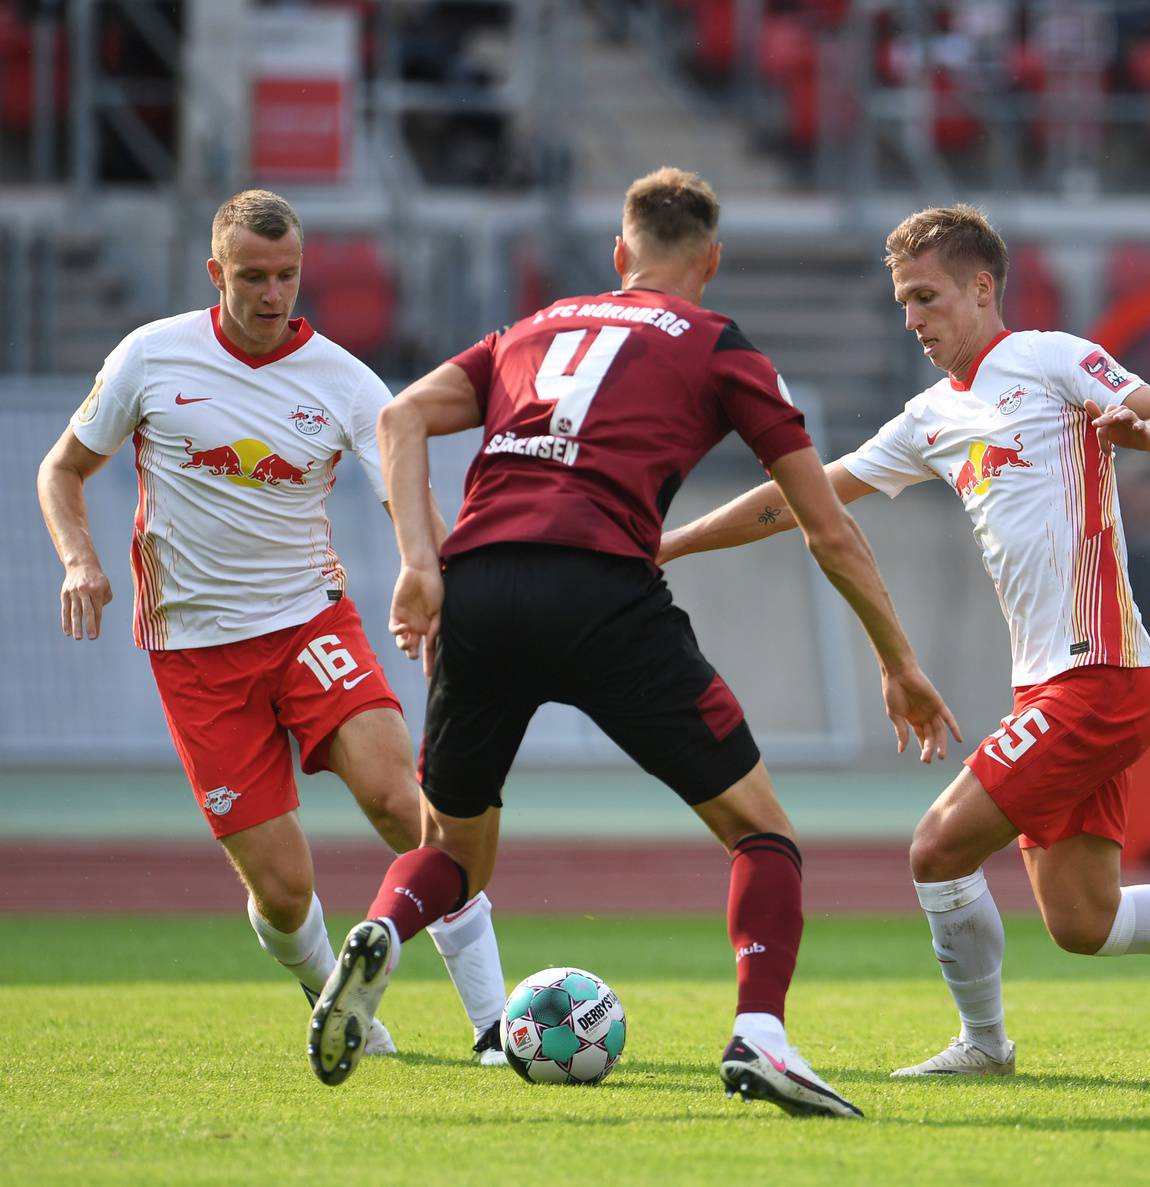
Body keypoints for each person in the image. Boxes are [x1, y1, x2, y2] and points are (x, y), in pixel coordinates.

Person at [659, 203, 1150, 1082]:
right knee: (1084, 920)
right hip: (1047, 686)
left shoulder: (1049, 358)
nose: (913, 319)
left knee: (936, 848)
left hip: (1101, 673)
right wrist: (672, 541)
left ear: (981, 285)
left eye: (926, 297)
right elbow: (801, 497)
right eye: (902, 304)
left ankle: (985, 1046)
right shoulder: (929, 417)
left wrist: (1143, 432)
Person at [305, 168, 960, 1118]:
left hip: (479, 586)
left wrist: (419, 562)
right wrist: (898, 660)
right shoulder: (718, 344)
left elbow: (400, 415)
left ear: (620, 255)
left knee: (453, 852)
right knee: (762, 831)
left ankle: (380, 927)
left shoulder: (533, 327)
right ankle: (761, 1037)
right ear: (712, 261)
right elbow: (826, 523)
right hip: (603, 591)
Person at [35, 189, 509, 1066]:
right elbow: (61, 470)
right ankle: (338, 998)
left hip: (307, 623)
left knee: (406, 803)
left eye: (286, 275)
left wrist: (431, 574)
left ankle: (496, 1021)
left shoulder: (342, 379)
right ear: (216, 273)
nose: (271, 293)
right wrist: (80, 560)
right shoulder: (150, 356)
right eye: (252, 276)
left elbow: (406, 486)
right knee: (285, 891)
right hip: (194, 653)